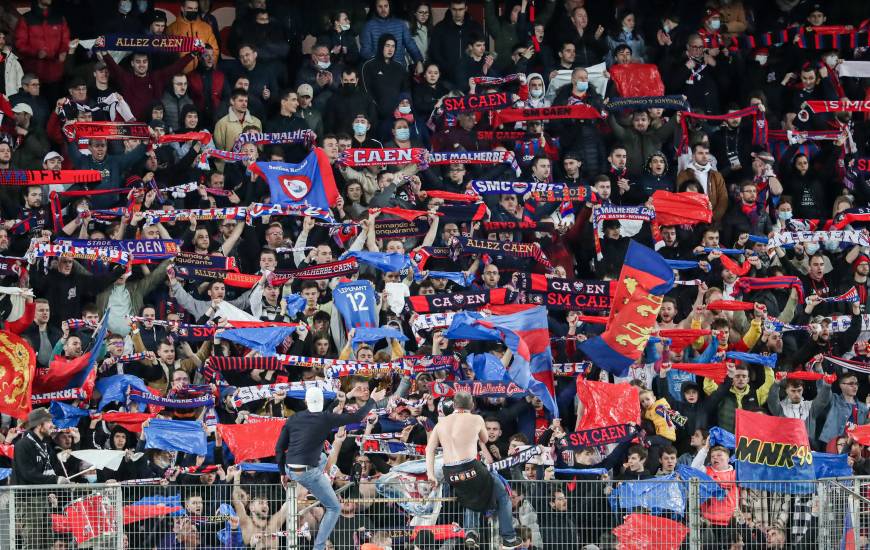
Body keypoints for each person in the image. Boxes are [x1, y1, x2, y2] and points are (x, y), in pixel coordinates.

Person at [275, 385, 387, 550]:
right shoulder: (325, 418)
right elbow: (357, 417)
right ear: (321, 403)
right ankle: (319, 547)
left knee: (322, 457)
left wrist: (282, 472)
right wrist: (373, 401)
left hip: (290, 468)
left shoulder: (294, 418)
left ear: (306, 402)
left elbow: (279, 448)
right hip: (307, 473)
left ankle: (322, 478)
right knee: (334, 508)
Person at [425, 391, 522, 549]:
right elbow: (484, 439)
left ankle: (471, 534)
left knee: (473, 493)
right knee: (503, 494)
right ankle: (509, 538)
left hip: (450, 473)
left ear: (454, 405)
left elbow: (429, 449)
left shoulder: (441, 423)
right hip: (470, 467)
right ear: (471, 405)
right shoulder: (476, 418)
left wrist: (430, 474)